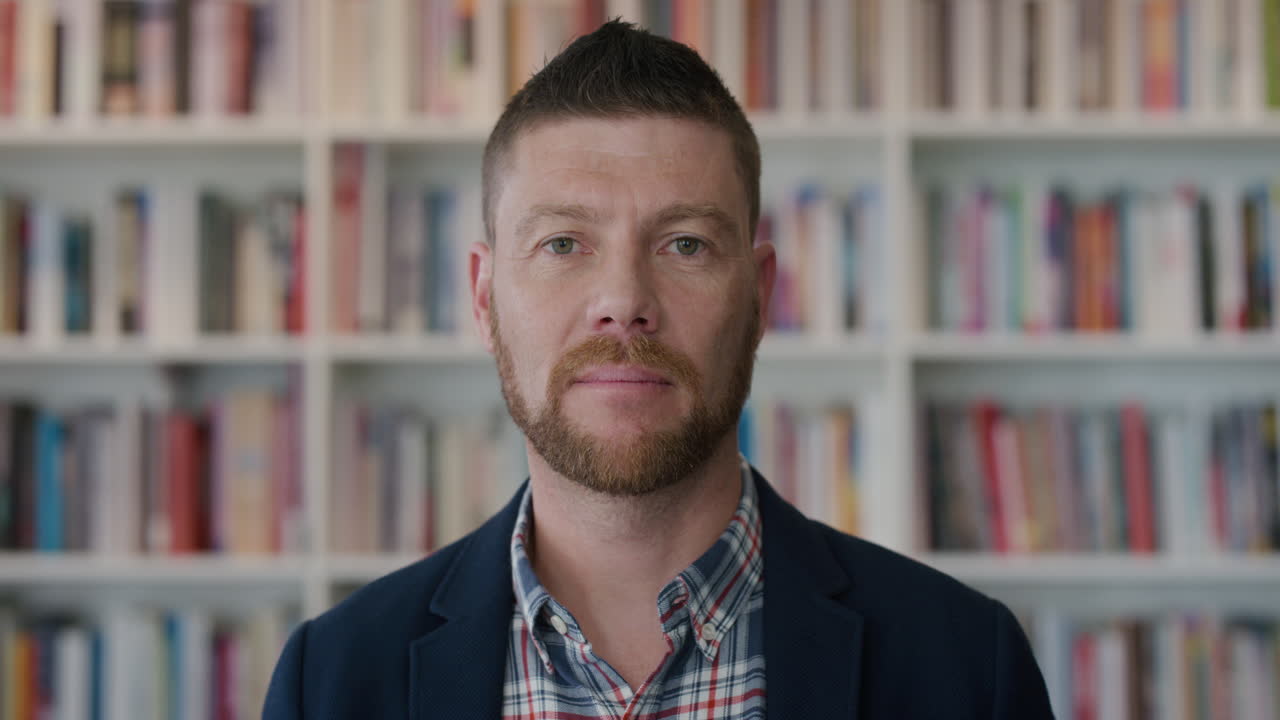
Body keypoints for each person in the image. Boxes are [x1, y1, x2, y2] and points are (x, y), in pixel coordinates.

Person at [264, 19, 1054, 719]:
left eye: (685, 244)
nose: (623, 302)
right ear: (484, 296)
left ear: (759, 297)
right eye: (563, 244)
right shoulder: (331, 681)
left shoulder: (965, 669)